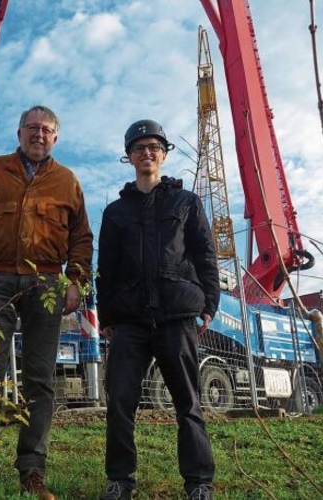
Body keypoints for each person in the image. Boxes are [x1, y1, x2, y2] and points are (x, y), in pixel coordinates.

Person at [0, 105, 94, 500]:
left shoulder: (67, 181)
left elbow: (82, 239)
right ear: (18, 133)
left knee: (40, 380)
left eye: (47, 130)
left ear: (56, 138)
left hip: (47, 283)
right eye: (32, 128)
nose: (39, 134)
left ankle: (32, 472)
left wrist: (75, 281)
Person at [96, 120, 220, 500]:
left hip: (176, 314)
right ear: (129, 157)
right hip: (129, 320)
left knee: (188, 402)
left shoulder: (186, 203)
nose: (146, 153)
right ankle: (120, 479)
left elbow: (205, 255)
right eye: (138, 148)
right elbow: (108, 269)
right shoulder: (115, 212)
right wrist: (106, 317)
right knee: (119, 402)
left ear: (164, 154)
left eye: (153, 147)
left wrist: (209, 304)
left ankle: (198, 482)